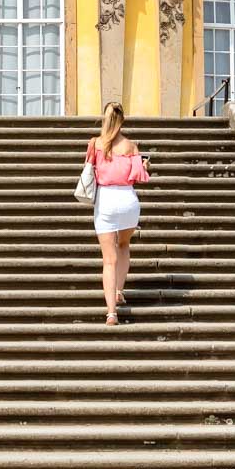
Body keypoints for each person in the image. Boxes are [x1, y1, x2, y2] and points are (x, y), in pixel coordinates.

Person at [85, 102, 150, 326]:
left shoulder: (95, 144)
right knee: (123, 245)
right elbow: (138, 176)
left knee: (108, 260)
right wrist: (145, 165)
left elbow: (88, 169)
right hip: (127, 200)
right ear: (122, 120)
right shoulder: (131, 146)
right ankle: (119, 290)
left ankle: (111, 313)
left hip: (105, 200)